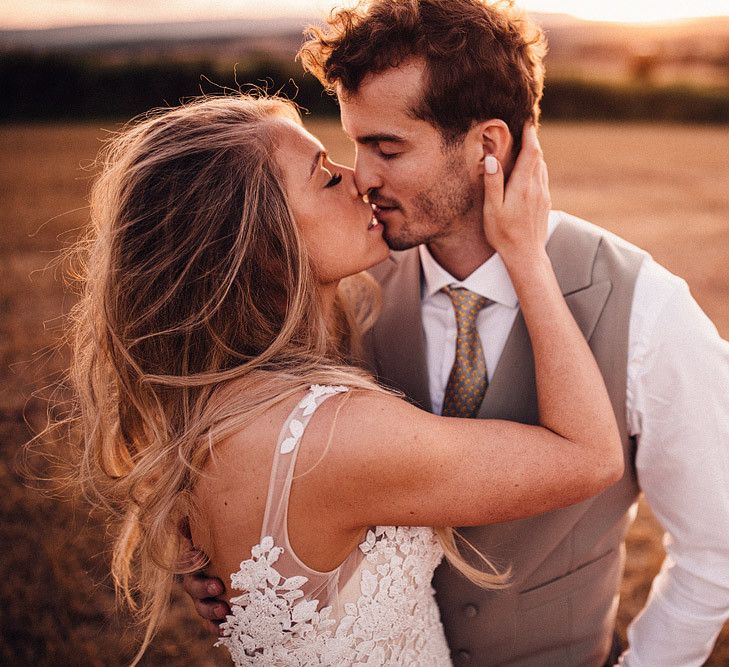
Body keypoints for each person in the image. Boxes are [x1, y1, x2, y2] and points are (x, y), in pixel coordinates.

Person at [184, 1, 729, 665]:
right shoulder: (342, 288)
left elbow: (715, 550)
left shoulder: (647, 307)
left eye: (388, 147)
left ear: (487, 147)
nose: (363, 176)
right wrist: (249, 571)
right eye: (355, 143)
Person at [56, 90, 623, 666]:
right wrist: (525, 251)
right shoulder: (333, 435)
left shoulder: (210, 405)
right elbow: (589, 456)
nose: (361, 180)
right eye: (325, 177)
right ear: (263, 245)